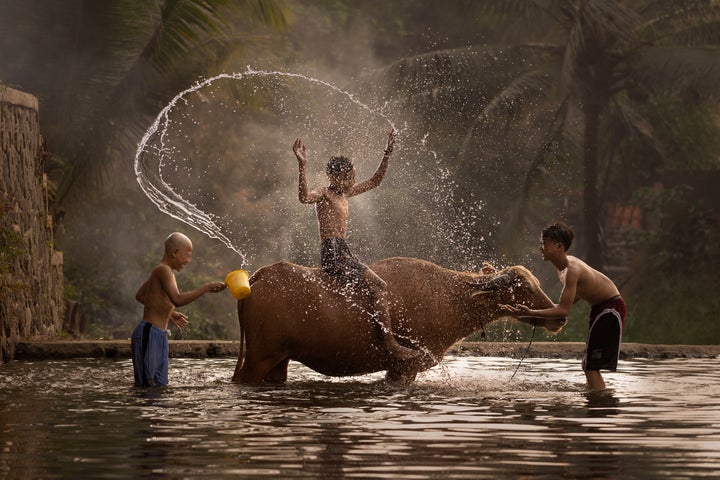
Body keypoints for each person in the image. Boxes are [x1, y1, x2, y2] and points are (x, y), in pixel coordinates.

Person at [292, 130, 418, 361]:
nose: (352, 181)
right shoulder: (325, 193)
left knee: (370, 288)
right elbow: (303, 198)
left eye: (352, 176)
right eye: (348, 177)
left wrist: (387, 154)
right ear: (334, 177)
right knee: (379, 285)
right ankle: (390, 343)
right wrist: (302, 166)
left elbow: (375, 181)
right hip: (332, 252)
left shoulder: (345, 193)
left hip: (343, 250)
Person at [500, 222, 626, 391]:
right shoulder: (563, 268)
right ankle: (597, 397)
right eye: (541, 243)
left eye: (545, 244)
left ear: (558, 246)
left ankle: (600, 404)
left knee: (590, 365)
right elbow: (569, 301)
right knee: (588, 364)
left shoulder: (572, 270)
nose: (541, 248)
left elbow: (562, 310)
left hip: (610, 308)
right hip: (601, 308)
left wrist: (532, 312)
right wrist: (539, 312)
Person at [132, 232, 226, 386]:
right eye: (187, 255)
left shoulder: (163, 271)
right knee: (147, 388)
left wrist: (169, 313)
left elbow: (141, 296)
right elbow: (178, 299)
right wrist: (206, 288)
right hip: (149, 334)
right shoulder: (163, 270)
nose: (188, 261)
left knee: (160, 386)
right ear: (175, 252)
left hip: (159, 335)